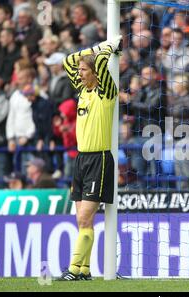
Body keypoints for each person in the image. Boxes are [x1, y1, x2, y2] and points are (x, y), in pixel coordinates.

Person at [56, 35, 122, 281]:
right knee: (83, 221)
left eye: (84, 70)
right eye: (80, 70)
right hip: (81, 160)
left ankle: (73, 270)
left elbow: (102, 65)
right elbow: (67, 61)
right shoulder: (83, 90)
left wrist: (108, 50)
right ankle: (84, 270)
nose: (79, 72)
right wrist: (100, 47)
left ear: (95, 72)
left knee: (85, 217)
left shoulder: (106, 92)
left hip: (99, 160)